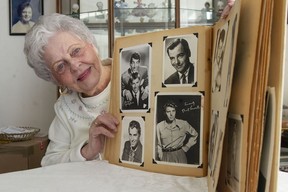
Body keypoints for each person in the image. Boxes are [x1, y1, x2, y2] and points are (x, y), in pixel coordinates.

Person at [23, 13, 119, 166]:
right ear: (55, 80)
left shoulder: (134, 75)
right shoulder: (66, 108)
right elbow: (49, 163)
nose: (74, 66)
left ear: (92, 45)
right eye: (60, 66)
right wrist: (87, 151)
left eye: (75, 51)